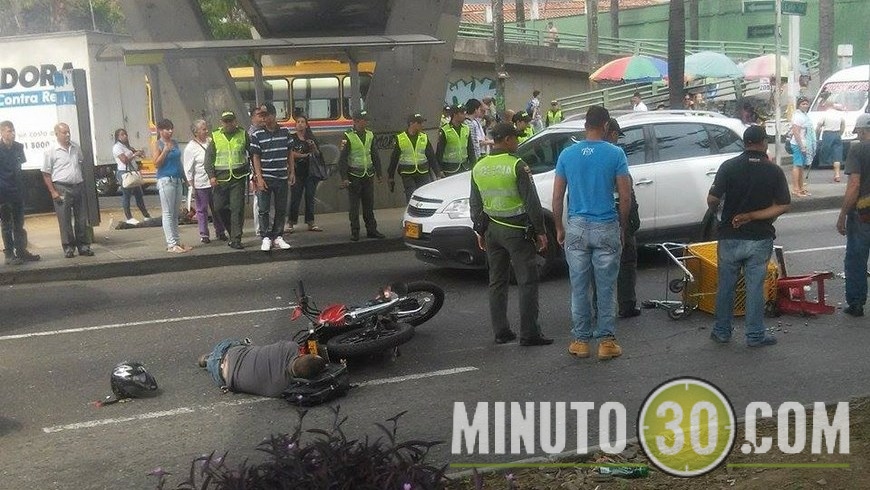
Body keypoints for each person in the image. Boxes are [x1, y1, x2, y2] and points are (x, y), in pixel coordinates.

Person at [552, 106, 631, 361]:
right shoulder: (615, 153)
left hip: (576, 225)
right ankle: (606, 342)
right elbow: (625, 196)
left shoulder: (567, 154)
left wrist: (559, 226)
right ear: (606, 126)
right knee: (606, 287)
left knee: (579, 286)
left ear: (585, 125)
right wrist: (622, 226)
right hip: (606, 224)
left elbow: (557, 197)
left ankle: (581, 341)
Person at [707, 125, 790, 347]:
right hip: (760, 237)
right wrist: (753, 215)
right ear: (763, 143)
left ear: (745, 143)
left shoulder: (728, 167)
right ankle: (755, 335)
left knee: (726, 286)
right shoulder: (774, 171)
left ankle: (722, 331)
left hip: (729, 236)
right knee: (755, 287)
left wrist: (721, 213)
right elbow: (783, 205)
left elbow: (712, 199)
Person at [471, 122, 552, 346]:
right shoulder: (517, 165)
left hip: (491, 231)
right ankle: (530, 333)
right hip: (517, 232)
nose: (517, 141)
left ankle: (501, 332)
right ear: (506, 140)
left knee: (497, 282)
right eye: (515, 138)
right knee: (527, 281)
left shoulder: (479, 166)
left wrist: (480, 230)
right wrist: (541, 231)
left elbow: (475, 203)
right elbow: (532, 202)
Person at [198, 338, 326, 397]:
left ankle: (209, 359)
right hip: (222, 378)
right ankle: (209, 362)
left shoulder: (289, 347)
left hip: (228, 353)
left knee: (245, 344)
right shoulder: (281, 388)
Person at [606, 118, 642, 318]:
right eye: (616, 135)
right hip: (619, 214)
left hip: (596, 216)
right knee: (626, 260)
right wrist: (628, 220)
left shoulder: (587, 153)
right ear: (611, 133)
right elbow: (625, 192)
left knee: (599, 263)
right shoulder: (615, 155)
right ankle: (626, 304)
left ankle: (600, 307)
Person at [42, 122, 94, 258]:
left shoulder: (75, 147)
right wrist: (53, 191)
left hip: (78, 185)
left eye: (68, 132)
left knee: (81, 218)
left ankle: (83, 246)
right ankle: (68, 247)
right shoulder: (51, 151)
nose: (67, 135)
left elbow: (81, 163)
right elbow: (46, 173)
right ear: (57, 134)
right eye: (64, 132)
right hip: (61, 187)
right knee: (64, 220)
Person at [836, 113, 870, 317]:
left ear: (863, 130)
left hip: (863, 215)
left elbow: (854, 185)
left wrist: (842, 215)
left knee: (856, 259)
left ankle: (856, 303)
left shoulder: (858, 149)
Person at [250, 102, 294, 252]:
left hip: (281, 176)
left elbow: (290, 153)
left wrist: (292, 172)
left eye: (265, 115)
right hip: (266, 177)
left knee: (281, 208)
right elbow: (255, 157)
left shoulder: (285, 132)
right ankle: (266, 237)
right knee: (263, 209)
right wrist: (259, 177)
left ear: (274, 116)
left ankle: (278, 236)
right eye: (261, 115)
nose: (263, 118)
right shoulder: (257, 134)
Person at [205, 111, 251, 250]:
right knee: (219, 207)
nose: (229, 123)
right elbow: (208, 159)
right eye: (226, 121)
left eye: (231, 121)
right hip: (221, 179)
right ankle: (232, 233)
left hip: (238, 178)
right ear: (221, 122)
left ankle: (236, 239)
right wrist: (211, 176)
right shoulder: (215, 136)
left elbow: (252, 153)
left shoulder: (243, 134)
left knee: (237, 209)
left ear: (235, 121)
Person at [338, 110, 385, 242]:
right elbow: (342, 159)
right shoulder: (348, 136)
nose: (366, 122)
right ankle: (355, 231)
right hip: (354, 176)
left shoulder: (370, 135)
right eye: (364, 120)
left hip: (368, 174)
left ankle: (372, 230)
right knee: (354, 207)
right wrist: (344, 178)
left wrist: (379, 173)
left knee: (369, 204)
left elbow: (374, 154)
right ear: (357, 121)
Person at [149, 119, 192, 254]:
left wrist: (185, 178)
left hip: (177, 179)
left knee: (175, 213)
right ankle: (171, 243)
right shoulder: (158, 144)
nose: (170, 131)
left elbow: (179, 162)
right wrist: (165, 151)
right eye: (167, 129)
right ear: (160, 131)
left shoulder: (175, 143)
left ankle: (177, 241)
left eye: (171, 128)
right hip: (166, 180)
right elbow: (156, 163)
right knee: (167, 213)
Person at [0, 120, 39, 265]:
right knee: (6, 225)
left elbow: (19, 166)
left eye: (13, 130)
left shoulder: (18, 147)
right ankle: (9, 254)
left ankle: (21, 251)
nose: (12, 133)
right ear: (2, 132)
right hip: (3, 192)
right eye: (9, 131)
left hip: (17, 191)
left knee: (19, 224)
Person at [183, 119, 226, 244]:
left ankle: (220, 231)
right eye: (203, 129)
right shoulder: (191, 147)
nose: (206, 131)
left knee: (217, 208)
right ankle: (204, 234)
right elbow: (188, 168)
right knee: (202, 209)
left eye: (206, 128)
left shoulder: (211, 142)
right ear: (196, 132)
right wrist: (191, 184)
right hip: (200, 183)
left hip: (214, 181)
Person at [388, 113, 442, 203]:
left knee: (425, 195)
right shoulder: (401, 138)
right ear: (411, 123)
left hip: (423, 171)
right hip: (407, 173)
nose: (422, 125)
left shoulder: (424, 137)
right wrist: (390, 176)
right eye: (419, 123)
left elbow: (431, 156)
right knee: (411, 195)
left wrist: (438, 173)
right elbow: (394, 158)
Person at [288, 115, 323, 232]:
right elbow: (290, 154)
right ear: (295, 125)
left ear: (307, 125)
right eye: (298, 122)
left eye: (303, 122)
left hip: (310, 172)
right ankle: (291, 223)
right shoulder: (292, 138)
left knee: (310, 197)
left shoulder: (311, 138)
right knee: (295, 198)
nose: (300, 124)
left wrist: (313, 147)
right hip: (297, 172)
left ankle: (310, 223)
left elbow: (318, 155)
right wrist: (304, 155)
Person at [112, 128, 152, 225]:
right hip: (124, 173)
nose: (125, 136)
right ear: (118, 137)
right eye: (122, 135)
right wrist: (134, 155)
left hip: (132, 172)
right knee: (126, 195)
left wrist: (140, 153)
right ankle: (129, 217)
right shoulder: (117, 147)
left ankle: (146, 215)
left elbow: (137, 154)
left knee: (139, 194)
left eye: (125, 134)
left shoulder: (127, 147)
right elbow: (124, 160)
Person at [436, 104, 475, 175]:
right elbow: (439, 152)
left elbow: (470, 148)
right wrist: (439, 169)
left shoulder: (466, 128)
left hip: (464, 166)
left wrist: (473, 164)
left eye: (464, 113)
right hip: (450, 168)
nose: (464, 115)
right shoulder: (445, 130)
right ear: (455, 114)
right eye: (462, 113)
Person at [789, 96, 816, 197]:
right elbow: (796, 132)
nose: (805, 106)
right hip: (798, 144)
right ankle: (795, 189)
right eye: (803, 104)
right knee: (797, 166)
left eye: (806, 104)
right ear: (799, 105)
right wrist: (801, 146)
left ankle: (801, 187)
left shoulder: (805, 115)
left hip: (805, 144)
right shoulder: (798, 116)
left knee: (801, 167)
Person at [816, 95, 845, 182]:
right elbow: (843, 125)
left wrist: (817, 136)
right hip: (837, 134)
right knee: (837, 154)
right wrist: (840, 133)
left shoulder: (825, 114)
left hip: (827, 134)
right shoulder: (839, 114)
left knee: (825, 151)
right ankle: (837, 174)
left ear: (827, 105)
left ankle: (826, 162)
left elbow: (818, 126)